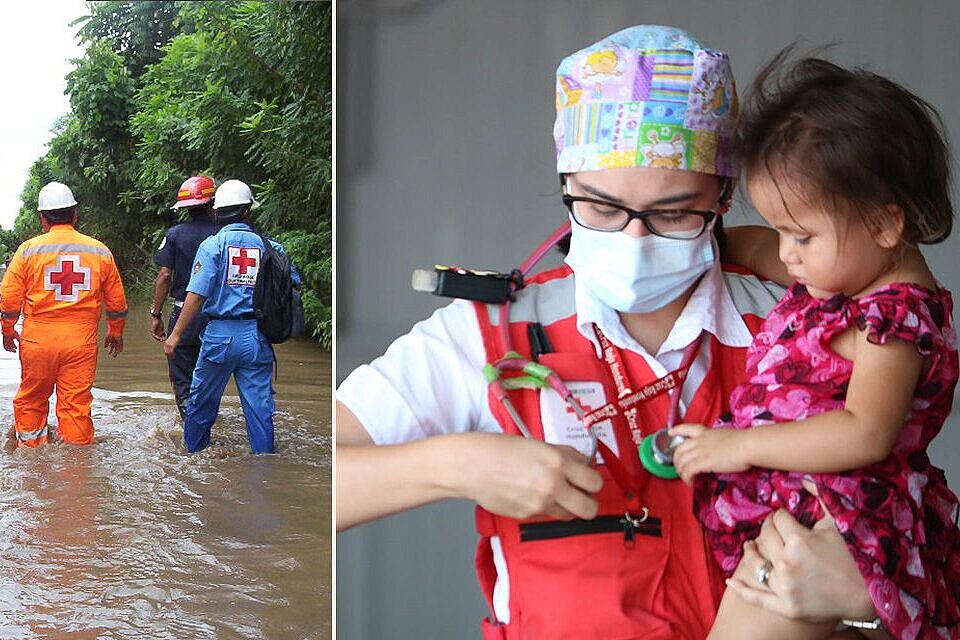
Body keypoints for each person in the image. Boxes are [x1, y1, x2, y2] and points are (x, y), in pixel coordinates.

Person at [337, 26, 884, 639]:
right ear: (567, 183)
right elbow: (315, 481)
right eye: (600, 209)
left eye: (673, 212)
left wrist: (866, 601)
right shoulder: (489, 335)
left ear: (725, 195)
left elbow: (916, 531)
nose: (634, 241)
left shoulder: (806, 332)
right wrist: (455, 464)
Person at [671, 51, 960, 639]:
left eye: (800, 234)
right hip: (804, 509)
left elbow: (864, 432)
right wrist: (682, 232)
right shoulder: (844, 270)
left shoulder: (894, 322)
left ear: (885, 224)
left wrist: (741, 447)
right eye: (781, 228)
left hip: (832, 523)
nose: (784, 254)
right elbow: (749, 248)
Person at [164, 179, 299, 454]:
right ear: (248, 211)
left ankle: (193, 459)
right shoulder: (271, 248)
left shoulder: (213, 246)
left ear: (217, 211)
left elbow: (197, 294)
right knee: (260, 410)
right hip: (257, 337)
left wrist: (175, 336)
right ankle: (264, 464)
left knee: (201, 405)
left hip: (219, 337)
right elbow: (292, 284)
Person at [0, 181, 126, 447]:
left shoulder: (28, 250)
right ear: (75, 214)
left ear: (42, 218)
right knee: (76, 406)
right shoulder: (99, 251)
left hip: (37, 341)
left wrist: (8, 329)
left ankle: (31, 458)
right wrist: (115, 331)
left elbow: (9, 297)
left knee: (32, 400)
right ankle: (76, 467)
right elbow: (116, 301)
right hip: (81, 343)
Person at [150, 175, 220, 419]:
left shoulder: (175, 234)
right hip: (220, 315)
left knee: (182, 378)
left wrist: (156, 314)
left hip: (183, 314)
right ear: (212, 203)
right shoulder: (224, 234)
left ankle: (192, 430)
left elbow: (164, 275)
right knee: (212, 376)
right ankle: (208, 421)